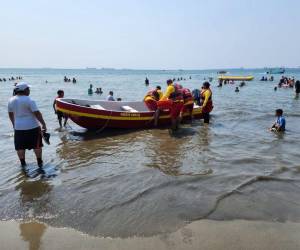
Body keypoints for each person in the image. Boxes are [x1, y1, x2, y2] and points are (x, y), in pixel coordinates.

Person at [8, 82, 47, 172]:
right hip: (33, 126)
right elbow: (37, 113)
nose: (29, 90)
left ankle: (23, 165)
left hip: (18, 128)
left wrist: (14, 124)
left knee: (20, 147)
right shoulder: (29, 100)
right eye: (28, 89)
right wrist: (43, 124)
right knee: (37, 146)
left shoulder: (11, 100)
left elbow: (10, 114)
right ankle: (40, 163)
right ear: (25, 90)